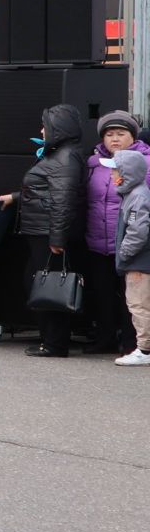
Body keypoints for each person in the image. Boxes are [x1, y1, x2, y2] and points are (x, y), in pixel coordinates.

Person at [0, 103, 85, 357]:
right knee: (41, 282)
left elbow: (63, 199)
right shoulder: (60, 155)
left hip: (48, 233)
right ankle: (51, 340)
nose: (41, 130)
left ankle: (55, 343)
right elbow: (45, 189)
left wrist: (57, 237)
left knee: (49, 285)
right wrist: (15, 197)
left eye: (45, 126)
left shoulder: (64, 157)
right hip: (43, 231)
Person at [81, 111, 150, 355]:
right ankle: (105, 338)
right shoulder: (93, 163)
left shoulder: (145, 162)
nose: (115, 139)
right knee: (102, 293)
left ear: (133, 136)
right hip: (97, 239)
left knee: (132, 297)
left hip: (131, 241)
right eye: (109, 135)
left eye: (121, 134)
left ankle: (133, 343)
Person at [112, 148, 150, 366]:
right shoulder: (135, 194)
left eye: (115, 170)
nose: (111, 175)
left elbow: (137, 231)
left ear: (127, 173)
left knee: (139, 305)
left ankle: (144, 350)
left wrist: (124, 253)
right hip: (137, 261)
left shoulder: (137, 197)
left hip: (138, 263)